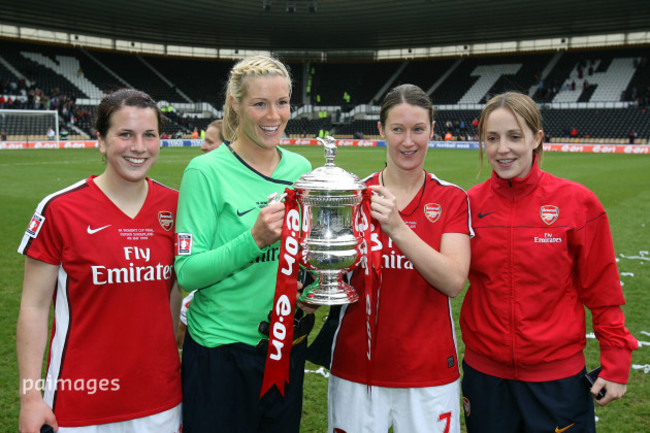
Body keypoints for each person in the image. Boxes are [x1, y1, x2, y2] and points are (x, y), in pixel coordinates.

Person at [460, 92, 638, 433]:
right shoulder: (468, 204)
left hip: (556, 380)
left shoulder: (578, 202)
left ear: (537, 139)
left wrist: (616, 361)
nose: (502, 149)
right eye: (492, 138)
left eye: (514, 136)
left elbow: (602, 288)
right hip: (485, 378)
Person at [16, 88, 183, 433]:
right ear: (101, 141)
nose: (139, 147)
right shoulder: (60, 209)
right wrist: (31, 398)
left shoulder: (178, 206)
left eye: (149, 135)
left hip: (160, 399)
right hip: (80, 402)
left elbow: (176, 293)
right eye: (125, 134)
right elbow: (33, 307)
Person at [174, 55, 313, 432]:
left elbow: (304, 255)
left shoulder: (301, 170)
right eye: (260, 104)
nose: (274, 116)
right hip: (221, 351)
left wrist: (310, 284)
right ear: (236, 104)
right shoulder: (205, 171)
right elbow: (187, 272)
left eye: (282, 103)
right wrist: (253, 239)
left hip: (284, 346)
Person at [328, 83, 472, 433]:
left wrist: (397, 228)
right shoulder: (353, 196)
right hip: (357, 370)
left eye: (418, 129)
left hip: (430, 372)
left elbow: (453, 281)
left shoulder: (452, 199)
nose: (408, 142)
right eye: (398, 129)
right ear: (382, 131)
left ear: (432, 130)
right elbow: (332, 279)